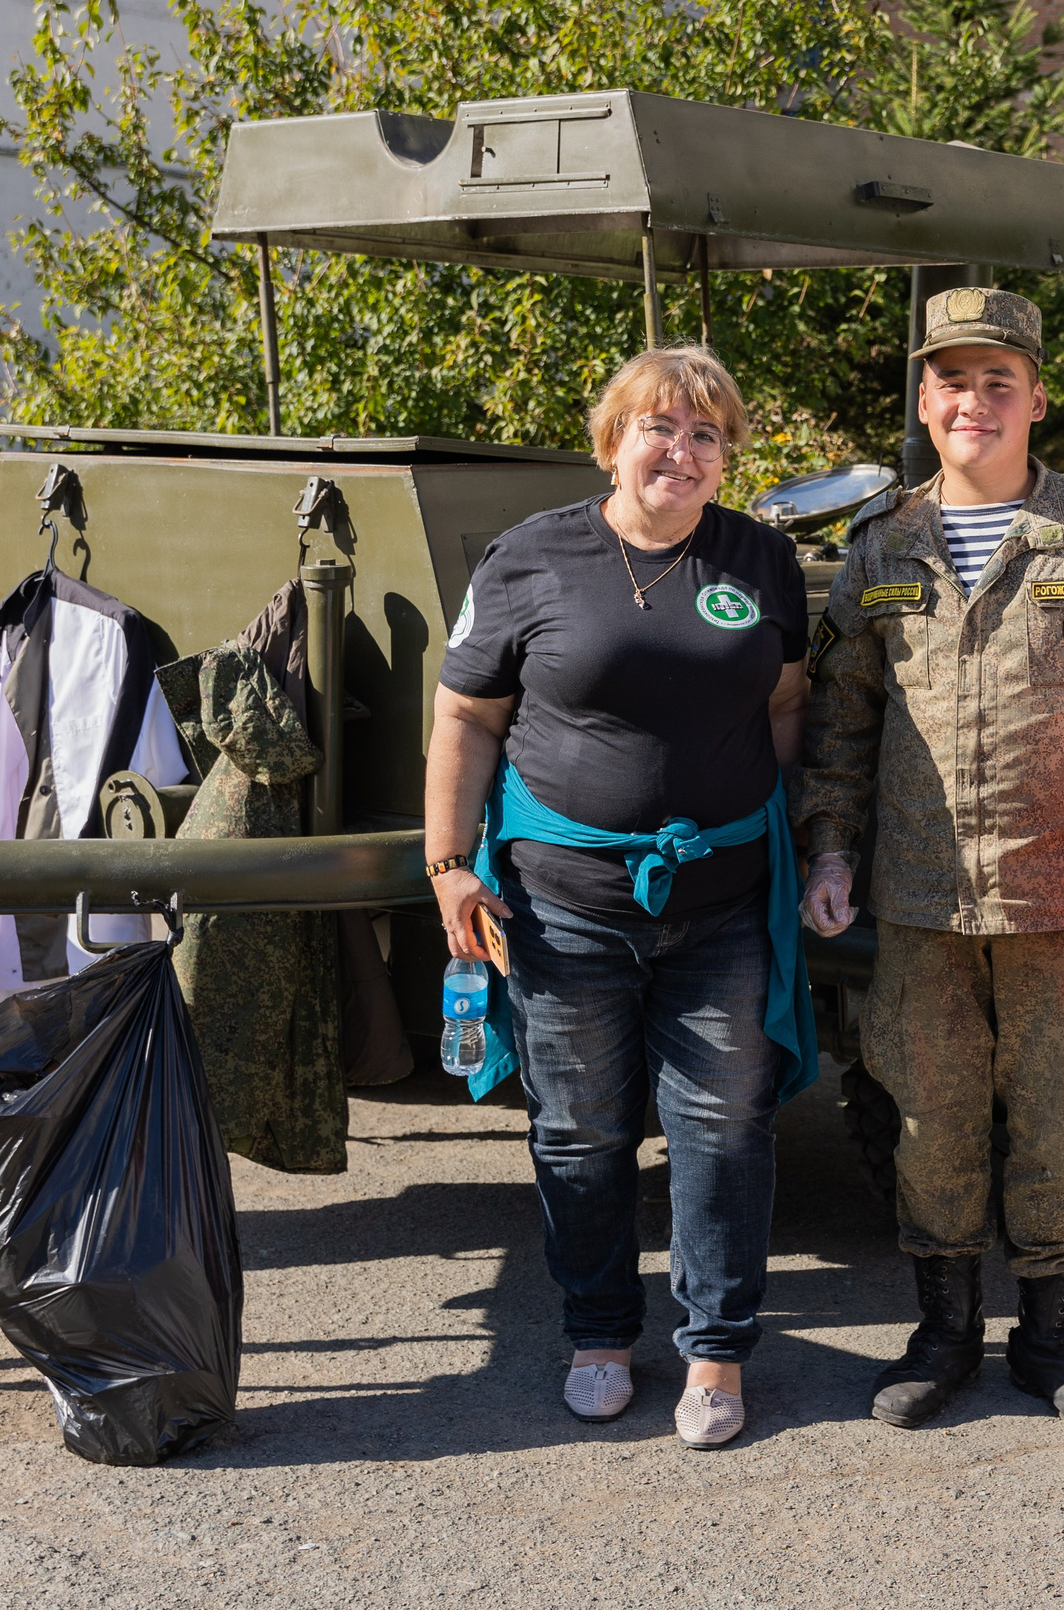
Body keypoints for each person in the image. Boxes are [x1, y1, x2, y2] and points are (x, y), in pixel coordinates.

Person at [801, 287, 1064, 1440]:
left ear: (1034, 398)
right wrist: (828, 848)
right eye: (952, 380)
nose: (974, 400)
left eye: (997, 380)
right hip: (919, 899)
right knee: (927, 1119)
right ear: (924, 399)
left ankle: (1055, 1341)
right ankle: (943, 1332)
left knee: (1057, 1122)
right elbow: (840, 723)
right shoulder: (880, 543)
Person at [423, 344, 813, 1452]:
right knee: (583, 1134)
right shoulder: (528, 557)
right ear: (612, 441)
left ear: (725, 456)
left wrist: (785, 832)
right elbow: (465, 717)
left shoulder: (762, 559)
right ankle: (599, 1336)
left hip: (724, 903)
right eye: (659, 427)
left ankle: (715, 1352)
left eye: (705, 435)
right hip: (561, 908)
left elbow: (788, 703)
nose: (680, 451)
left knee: (724, 1129)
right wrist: (450, 863)